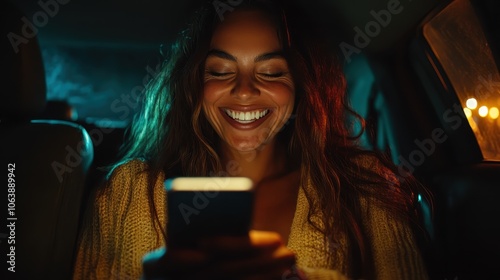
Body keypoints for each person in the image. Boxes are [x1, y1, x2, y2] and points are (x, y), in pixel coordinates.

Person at [73, 0, 431, 279]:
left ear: (302, 85)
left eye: (271, 71)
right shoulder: (126, 192)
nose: (244, 90)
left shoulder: (363, 187)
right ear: (195, 84)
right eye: (221, 71)